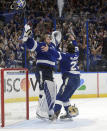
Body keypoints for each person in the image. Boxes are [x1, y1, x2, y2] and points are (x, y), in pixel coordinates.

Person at [22, 24, 61, 120]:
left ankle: (48, 110)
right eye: (48, 38)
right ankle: (41, 111)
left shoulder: (53, 47)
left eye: (50, 38)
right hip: (41, 69)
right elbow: (32, 45)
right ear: (44, 39)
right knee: (43, 90)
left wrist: (51, 48)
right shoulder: (41, 45)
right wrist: (27, 37)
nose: (50, 39)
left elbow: (58, 56)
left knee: (51, 89)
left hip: (50, 70)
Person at [51, 33, 80, 120]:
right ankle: (69, 113)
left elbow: (55, 54)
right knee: (65, 97)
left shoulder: (65, 56)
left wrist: (55, 46)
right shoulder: (76, 54)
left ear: (67, 50)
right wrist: (73, 39)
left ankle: (56, 113)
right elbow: (76, 47)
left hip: (69, 78)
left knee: (59, 96)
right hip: (77, 79)